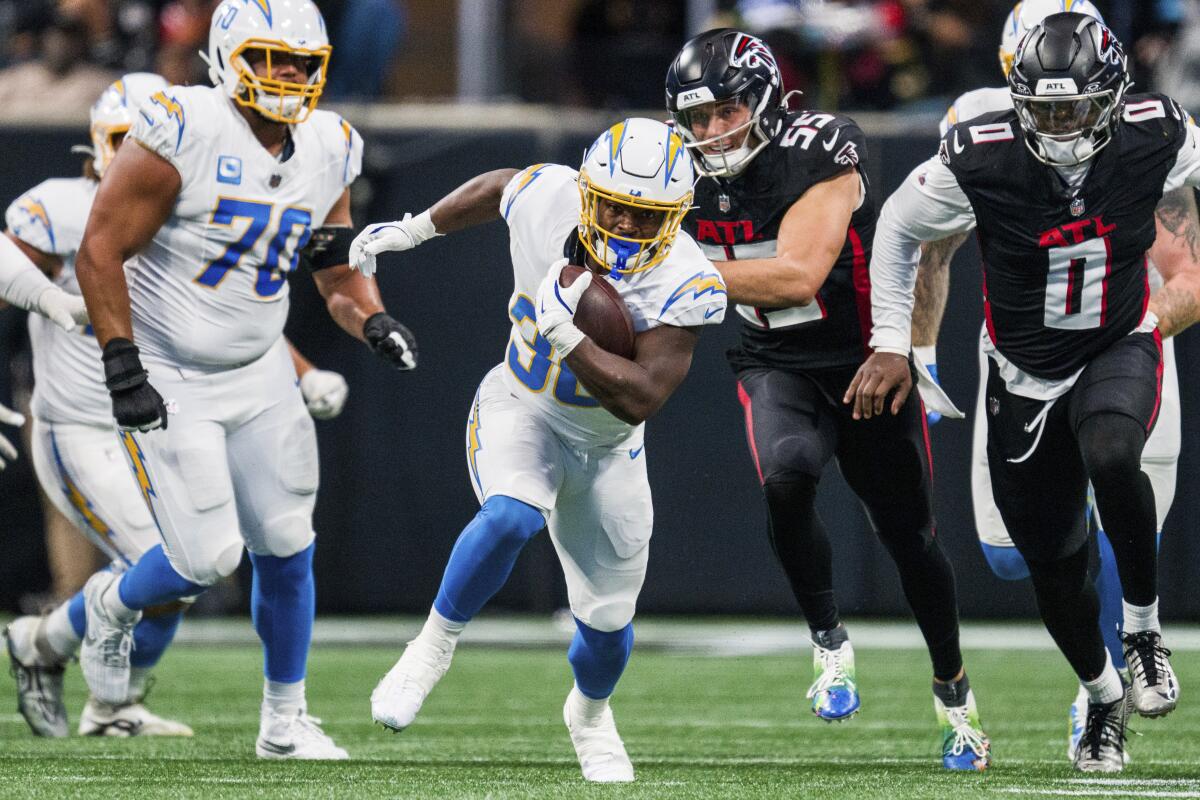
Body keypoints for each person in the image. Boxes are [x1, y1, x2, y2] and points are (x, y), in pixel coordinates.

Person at [853, 13, 1200, 771]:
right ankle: (1102, 693)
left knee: (1114, 452)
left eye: (1073, 108)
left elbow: (1189, 230)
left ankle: (1141, 631)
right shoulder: (982, 153)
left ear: (1109, 97)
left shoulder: (1158, 132)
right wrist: (893, 343)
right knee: (1048, 561)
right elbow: (899, 231)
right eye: (1042, 110)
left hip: (1117, 340)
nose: (1059, 126)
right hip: (1022, 374)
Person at [72, 0, 417, 759]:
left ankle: (284, 722)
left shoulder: (330, 144)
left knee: (288, 541)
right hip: (173, 367)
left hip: (259, 366)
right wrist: (121, 361)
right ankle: (110, 602)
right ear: (229, 59)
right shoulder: (183, 126)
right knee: (205, 560)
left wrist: (372, 319)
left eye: (301, 63)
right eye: (270, 59)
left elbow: (333, 265)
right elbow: (99, 247)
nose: (288, 75)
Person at [350, 117, 727, 783]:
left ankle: (588, 713)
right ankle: (431, 649)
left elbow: (640, 398)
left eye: (648, 217)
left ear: (675, 218)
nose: (628, 227)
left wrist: (567, 336)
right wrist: (416, 228)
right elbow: (499, 188)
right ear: (587, 193)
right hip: (520, 410)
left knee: (607, 635)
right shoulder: (550, 196)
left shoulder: (690, 279)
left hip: (609, 449)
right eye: (616, 207)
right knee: (512, 514)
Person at [664, 28, 989, 771]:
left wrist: (667, 266)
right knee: (787, 474)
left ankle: (956, 697)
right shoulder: (672, 170)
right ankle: (829, 643)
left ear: (767, 99)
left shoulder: (821, 145)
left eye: (726, 110)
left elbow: (796, 276)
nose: (712, 131)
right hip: (774, 361)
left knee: (910, 539)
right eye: (698, 117)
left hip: (865, 360)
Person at [3, 72, 350, 738]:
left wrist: (300, 373)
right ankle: (67, 665)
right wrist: (48, 298)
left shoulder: (199, 203)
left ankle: (77, 674)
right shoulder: (65, 207)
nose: (141, 152)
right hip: (84, 425)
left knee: (185, 567)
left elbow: (237, 319)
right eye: (125, 139)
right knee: (169, 564)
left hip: (167, 413)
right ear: (98, 145)